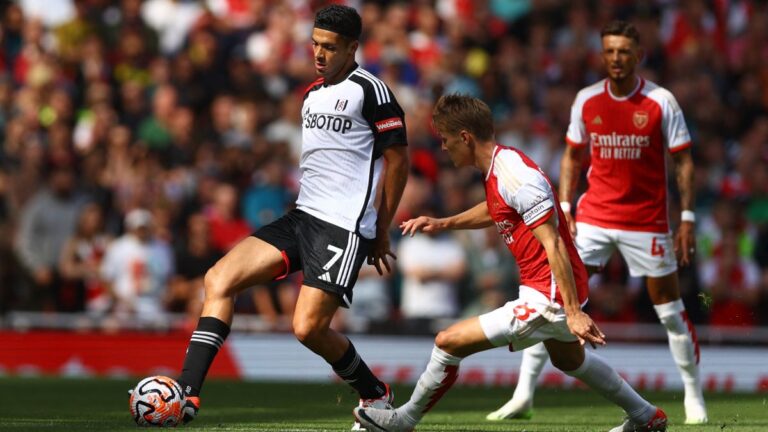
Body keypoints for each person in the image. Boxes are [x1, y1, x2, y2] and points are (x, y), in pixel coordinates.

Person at [354, 94, 667, 432]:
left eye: (445, 141)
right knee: (569, 359)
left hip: (549, 296)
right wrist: (444, 223)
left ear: (465, 138)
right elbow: (497, 209)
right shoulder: (500, 168)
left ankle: (405, 419)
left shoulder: (517, 175)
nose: (443, 149)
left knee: (448, 341)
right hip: (553, 289)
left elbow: (555, 244)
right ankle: (646, 416)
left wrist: (573, 311)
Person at [175, 5, 409, 430]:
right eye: (315, 43)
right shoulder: (311, 94)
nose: (318, 53)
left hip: (342, 226)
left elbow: (398, 161)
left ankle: (376, 392)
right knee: (218, 279)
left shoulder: (372, 91)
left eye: (329, 47)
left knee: (307, 329)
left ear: (353, 47)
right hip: (301, 216)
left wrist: (381, 227)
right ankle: (186, 393)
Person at [487, 20, 707, 425]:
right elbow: (572, 157)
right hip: (594, 217)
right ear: (601, 54)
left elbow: (684, 161)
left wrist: (688, 216)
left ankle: (694, 395)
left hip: (647, 221)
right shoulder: (587, 100)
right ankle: (524, 395)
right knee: (551, 300)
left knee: (670, 311)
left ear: (638, 55)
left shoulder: (662, 101)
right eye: (609, 51)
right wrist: (566, 206)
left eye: (624, 51)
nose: (616, 59)